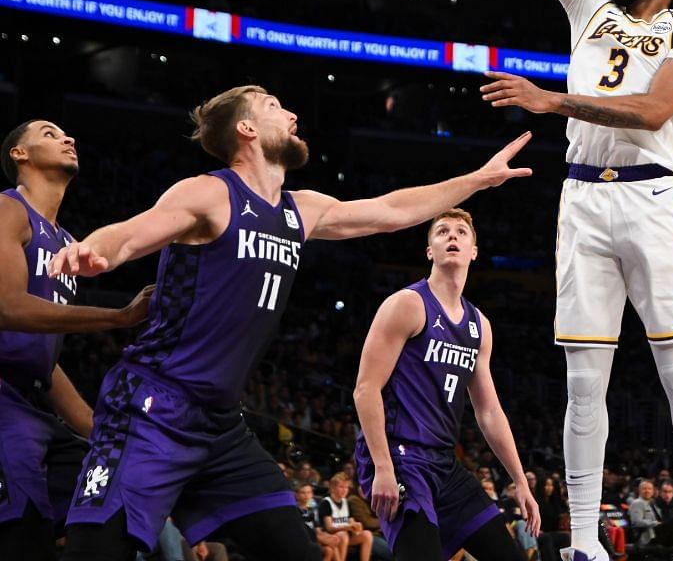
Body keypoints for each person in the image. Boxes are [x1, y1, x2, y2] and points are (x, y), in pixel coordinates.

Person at [49, 85, 532, 560]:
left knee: (294, 549)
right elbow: (132, 234)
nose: (292, 114)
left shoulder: (301, 209)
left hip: (220, 426)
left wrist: (477, 180)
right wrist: (97, 251)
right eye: (275, 106)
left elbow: (389, 211)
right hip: (153, 406)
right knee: (96, 550)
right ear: (247, 129)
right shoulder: (211, 193)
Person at [481, 0, 673, 561]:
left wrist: (550, 99)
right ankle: (583, 542)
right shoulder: (589, 2)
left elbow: (653, 111)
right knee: (584, 375)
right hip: (583, 195)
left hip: (654, 195)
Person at [0, 120, 153, 561]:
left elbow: (45, 364)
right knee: (23, 535)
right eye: (49, 134)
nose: (68, 138)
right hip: (5, 402)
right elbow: (8, 307)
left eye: (68, 133)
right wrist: (119, 317)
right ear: (19, 155)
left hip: (31, 404)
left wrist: (100, 431)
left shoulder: (67, 244)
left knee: (105, 494)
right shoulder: (9, 210)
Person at [353, 208, 540, 561]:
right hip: (400, 456)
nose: (452, 236)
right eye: (442, 232)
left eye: (461, 232)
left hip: (442, 462)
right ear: (430, 252)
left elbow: (488, 411)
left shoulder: (479, 325)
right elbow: (365, 389)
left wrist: (519, 480)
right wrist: (382, 467)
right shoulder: (407, 304)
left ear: (474, 251)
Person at [319, 474, 375, 561]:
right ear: (333, 488)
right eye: (341, 487)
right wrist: (347, 527)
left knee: (367, 534)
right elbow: (329, 528)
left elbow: (351, 521)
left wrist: (356, 526)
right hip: (332, 537)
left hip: (346, 536)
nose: (344, 490)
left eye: (346, 487)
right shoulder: (326, 503)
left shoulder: (346, 502)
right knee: (342, 535)